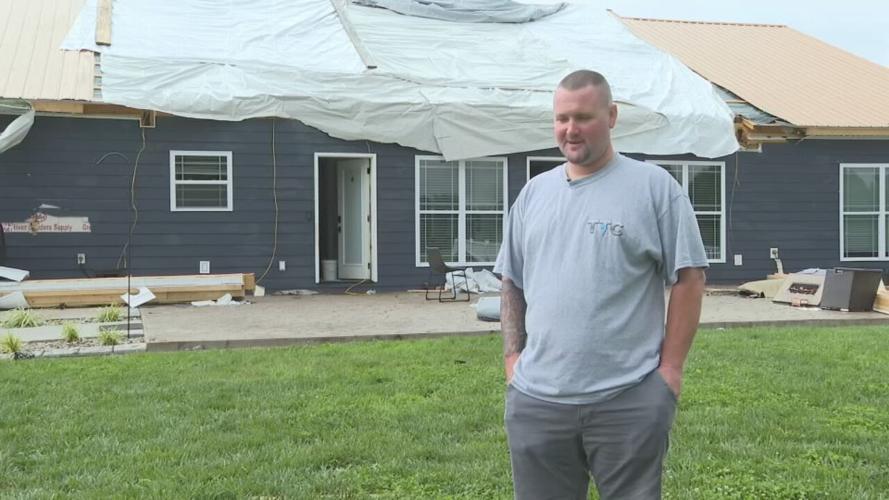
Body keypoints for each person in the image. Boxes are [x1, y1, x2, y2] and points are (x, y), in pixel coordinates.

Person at [494, 69, 708, 499]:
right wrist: (513, 358)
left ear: (611, 116)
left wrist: (670, 371)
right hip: (538, 401)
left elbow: (689, 277)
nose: (570, 130)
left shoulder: (653, 189)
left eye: (584, 117)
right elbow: (511, 281)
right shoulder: (534, 194)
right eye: (562, 118)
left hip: (627, 399)